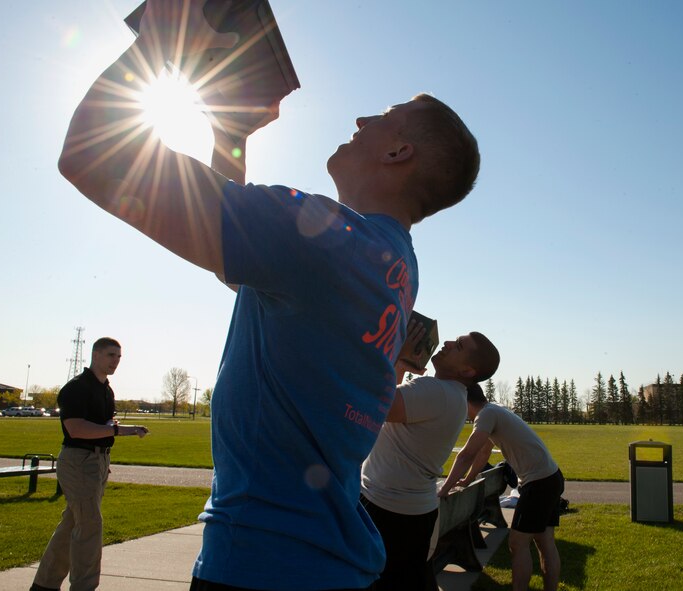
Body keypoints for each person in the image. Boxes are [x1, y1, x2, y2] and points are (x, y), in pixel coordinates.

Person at [57, 2, 480, 589]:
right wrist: (231, 131)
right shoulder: (394, 265)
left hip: (260, 564)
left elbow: (89, 157)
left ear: (397, 152)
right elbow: (242, 269)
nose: (361, 119)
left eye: (384, 117)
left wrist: (163, 40)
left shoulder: (330, 239)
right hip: (327, 562)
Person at [361, 322, 500, 590]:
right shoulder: (452, 396)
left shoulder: (435, 391)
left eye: (458, 346)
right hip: (409, 512)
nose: (447, 343)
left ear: (467, 370)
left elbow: (377, 404)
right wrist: (401, 364)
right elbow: (392, 402)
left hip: (389, 512)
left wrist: (395, 355)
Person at [31, 338, 149, 591]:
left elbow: (105, 427)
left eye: (119, 356)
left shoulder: (106, 389)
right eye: (110, 355)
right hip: (78, 461)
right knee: (90, 526)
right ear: (95, 355)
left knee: (73, 523)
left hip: (96, 461)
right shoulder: (76, 388)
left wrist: (110, 447)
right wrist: (117, 432)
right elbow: (75, 429)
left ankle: (44, 585)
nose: (115, 361)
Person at [439, 384, 563, 591]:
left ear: (465, 401)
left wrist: (444, 489)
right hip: (551, 477)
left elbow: (467, 454)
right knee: (544, 541)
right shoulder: (495, 410)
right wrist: (467, 480)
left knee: (518, 543)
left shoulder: (486, 415)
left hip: (539, 483)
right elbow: (483, 452)